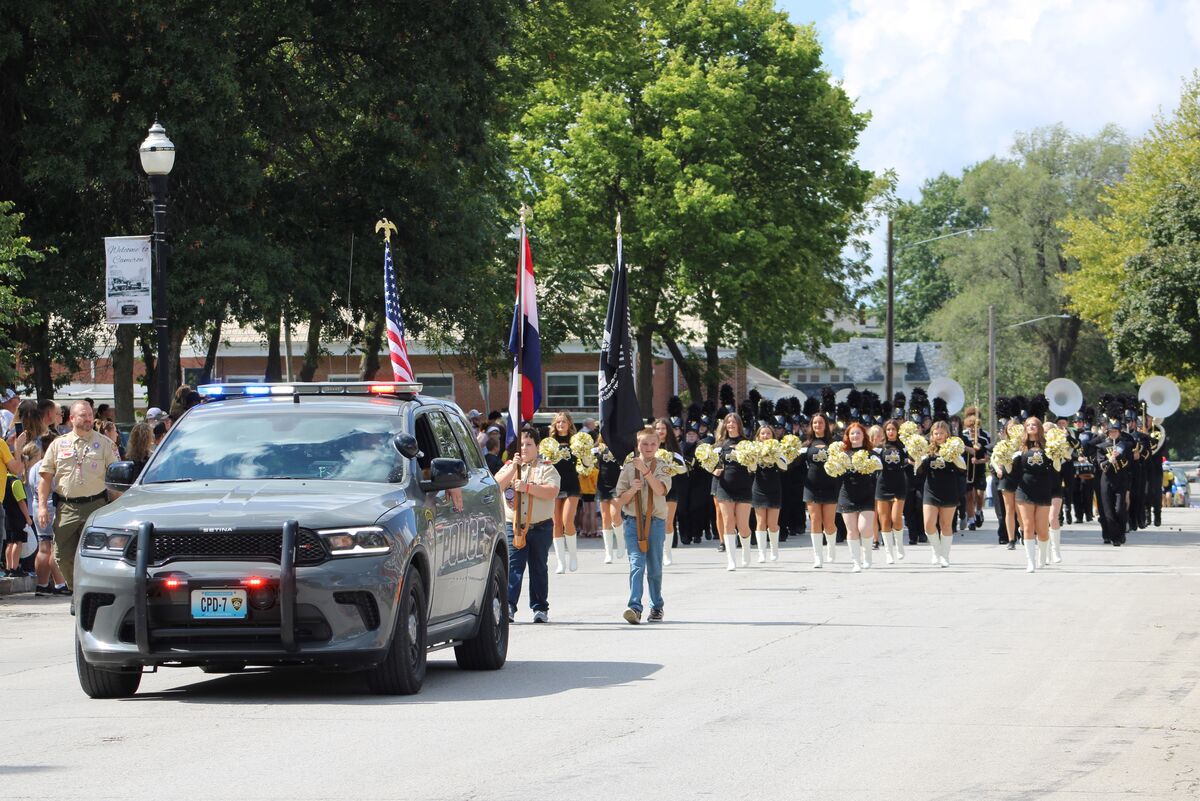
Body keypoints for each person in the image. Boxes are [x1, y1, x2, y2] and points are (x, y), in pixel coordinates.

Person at [36, 401, 118, 590]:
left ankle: (94, 591)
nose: (88, 419)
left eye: (90, 415)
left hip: (96, 506)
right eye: (83, 415)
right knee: (62, 555)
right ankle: (75, 590)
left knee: (98, 553)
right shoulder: (58, 444)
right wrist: (42, 507)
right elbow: (45, 479)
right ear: (72, 418)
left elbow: (115, 480)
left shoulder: (106, 444)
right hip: (67, 508)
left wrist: (118, 508)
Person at [494, 427, 560, 623]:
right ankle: (508, 606)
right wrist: (514, 469)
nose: (524, 448)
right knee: (513, 567)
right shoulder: (510, 466)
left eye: (529, 444)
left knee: (538, 567)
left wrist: (528, 488)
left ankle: (540, 608)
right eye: (521, 444)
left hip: (540, 526)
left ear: (537, 447)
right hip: (514, 525)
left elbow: (552, 491)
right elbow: (496, 485)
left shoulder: (546, 467)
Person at [614, 426, 672, 624]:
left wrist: (646, 472)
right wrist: (632, 490)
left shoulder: (663, 465)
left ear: (658, 445)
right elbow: (620, 499)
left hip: (655, 521)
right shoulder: (629, 467)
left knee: (654, 567)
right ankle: (634, 607)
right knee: (636, 565)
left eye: (653, 443)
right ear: (637, 445)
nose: (648, 447)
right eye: (644, 443)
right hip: (632, 522)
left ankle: (656, 606)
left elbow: (661, 490)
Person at [915, 420, 965, 568]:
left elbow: (963, 467)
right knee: (928, 525)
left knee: (946, 525)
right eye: (936, 433)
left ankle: (945, 555)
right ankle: (936, 550)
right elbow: (918, 471)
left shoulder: (953, 449)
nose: (938, 435)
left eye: (942, 433)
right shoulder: (927, 450)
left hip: (949, 490)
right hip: (931, 490)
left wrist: (953, 455)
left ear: (947, 434)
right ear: (932, 435)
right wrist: (918, 456)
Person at [1011, 416, 1058, 572]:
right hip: (1024, 490)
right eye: (1028, 425)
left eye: (1034, 424)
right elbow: (1012, 471)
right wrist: (1010, 460)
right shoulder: (1020, 446)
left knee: (1043, 529)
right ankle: (1030, 561)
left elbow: (1056, 468)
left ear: (1039, 427)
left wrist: (1057, 457)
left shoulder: (1049, 446)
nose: (1031, 427)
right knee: (1028, 526)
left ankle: (1043, 555)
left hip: (1043, 489)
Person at [838, 421, 882, 573]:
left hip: (866, 494)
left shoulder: (871, 453)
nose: (855, 436)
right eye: (852, 433)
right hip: (847, 494)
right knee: (851, 530)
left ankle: (867, 557)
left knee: (864, 528)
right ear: (848, 437)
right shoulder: (842, 454)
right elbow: (832, 471)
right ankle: (856, 562)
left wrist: (871, 462)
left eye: (858, 433)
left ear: (864, 436)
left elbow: (879, 465)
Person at [713, 412, 754, 571]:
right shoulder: (720, 444)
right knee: (728, 521)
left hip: (743, 486)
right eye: (728, 422)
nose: (730, 425)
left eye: (733, 422)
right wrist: (713, 469)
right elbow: (711, 463)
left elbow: (753, 466)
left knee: (743, 525)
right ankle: (731, 560)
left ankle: (746, 550)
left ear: (739, 425)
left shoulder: (747, 443)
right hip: (724, 487)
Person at [799, 406, 839, 568]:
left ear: (826, 425)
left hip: (830, 486)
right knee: (815, 520)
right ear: (811, 425)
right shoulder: (806, 444)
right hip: (811, 487)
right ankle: (818, 556)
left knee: (829, 523)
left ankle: (831, 547)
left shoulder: (834, 443)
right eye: (814, 423)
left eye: (820, 422)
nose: (817, 425)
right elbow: (796, 464)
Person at [548, 411, 581, 574]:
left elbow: (585, 463)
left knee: (568, 520)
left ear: (569, 424)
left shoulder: (576, 442)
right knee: (556, 523)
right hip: (554, 484)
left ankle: (573, 556)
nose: (561, 424)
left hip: (571, 484)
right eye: (558, 422)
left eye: (564, 422)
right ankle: (561, 562)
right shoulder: (549, 442)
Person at [874, 417, 908, 564]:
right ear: (885, 431)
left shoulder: (904, 447)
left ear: (897, 431)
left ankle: (899, 545)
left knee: (896, 519)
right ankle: (888, 552)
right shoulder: (879, 448)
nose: (891, 432)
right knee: (885, 521)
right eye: (888, 429)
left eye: (893, 429)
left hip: (899, 484)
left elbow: (914, 458)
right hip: (883, 485)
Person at [654, 417, 687, 566]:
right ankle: (656, 552)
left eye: (663, 428)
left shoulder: (674, 450)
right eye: (658, 428)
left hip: (670, 489)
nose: (660, 431)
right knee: (653, 522)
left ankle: (667, 554)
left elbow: (683, 468)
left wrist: (672, 467)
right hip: (651, 489)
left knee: (668, 522)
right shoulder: (648, 446)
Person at [751, 423, 783, 563]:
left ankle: (774, 550)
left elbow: (784, 466)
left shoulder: (778, 449)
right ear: (758, 436)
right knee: (761, 522)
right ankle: (761, 553)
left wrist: (775, 455)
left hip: (774, 488)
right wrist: (754, 457)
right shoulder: (753, 450)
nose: (765, 436)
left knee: (772, 523)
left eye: (768, 433)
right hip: (758, 488)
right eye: (762, 433)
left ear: (772, 436)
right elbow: (751, 469)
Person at [594, 434, 624, 564]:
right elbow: (590, 464)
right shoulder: (597, 448)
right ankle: (608, 552)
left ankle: (621, 543)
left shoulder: (622, 446)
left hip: (618, 484)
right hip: (603, 485)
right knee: (605, 518)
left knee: (615, 514)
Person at [2, 471, 32, 577]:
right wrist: (28, 518)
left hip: (7, 516)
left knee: (9, 542)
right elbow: (21, 501)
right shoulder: (15, 482)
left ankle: (8, 568)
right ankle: (14, 568)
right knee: (17, 542)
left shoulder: (3, 480)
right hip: (18, 516)